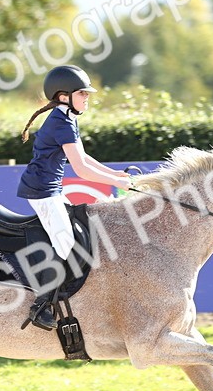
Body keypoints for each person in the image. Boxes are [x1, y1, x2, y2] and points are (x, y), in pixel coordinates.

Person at [17, 65, 131, 330]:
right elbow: (80, 169)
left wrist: (112, 172)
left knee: (79, 233)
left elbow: (84, 158)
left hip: (50, 188)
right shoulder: (61, 122)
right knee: (66, 243)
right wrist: (115, 181)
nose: (87, 97)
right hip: (42, 191)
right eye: (82, 93)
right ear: (63, 95)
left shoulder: (67, 118)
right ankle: (41, 306)